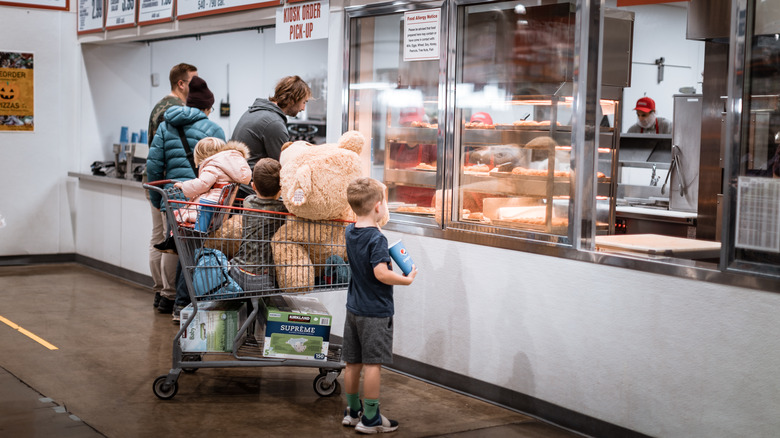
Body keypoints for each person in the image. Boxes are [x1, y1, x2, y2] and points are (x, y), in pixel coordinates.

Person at [341, 177, 418, 434]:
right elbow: (381, 273)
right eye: (384, 202)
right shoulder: (377, 239)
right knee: (373, 364)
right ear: (377, 206)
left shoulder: (350, 231)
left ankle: (353, 411)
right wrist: (406, 280)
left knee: (352, 362)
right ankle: (371, 417)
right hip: (375, 311)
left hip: (354, 308)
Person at [147, 75, 225, 318]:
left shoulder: (165, 124)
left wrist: (158, 198)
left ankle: (166, 299)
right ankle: (184, 303)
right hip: (201, 201)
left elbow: (153, 165)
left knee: (171, 246)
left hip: (172, 196)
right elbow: (220, 167)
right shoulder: (213, 129)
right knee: (191, 252)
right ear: (207, 107)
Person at [146, 63, 198, 312]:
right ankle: (168, 295)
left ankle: (159, 290)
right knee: (171, 242)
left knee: (157, 238)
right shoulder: (177, 110)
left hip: (155, 183)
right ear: (181, 83)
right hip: (171, 186)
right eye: (193, 82)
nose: (196, 87)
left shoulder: (159, 106)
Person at [230, 158, 288, 290]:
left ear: (253, 186)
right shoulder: (283, 209)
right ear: (281, 187)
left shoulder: (248, 202)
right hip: (264, 278)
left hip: (238, 271)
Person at [231, 75, 311, 167]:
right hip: (252, 179)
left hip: (241, 175)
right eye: (303, 102)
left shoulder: (256, 111)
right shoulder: (273, 123)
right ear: (292, 100)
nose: (303, 108)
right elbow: (284, 165)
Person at [173, 138, 252, 227]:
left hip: (208, 211)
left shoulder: (212, 166)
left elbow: (202, 184)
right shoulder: (225, 167)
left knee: (178, 215)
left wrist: (184, 186)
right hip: (216, 209)